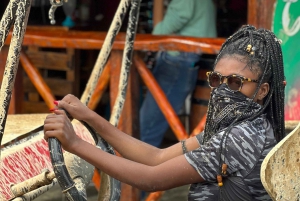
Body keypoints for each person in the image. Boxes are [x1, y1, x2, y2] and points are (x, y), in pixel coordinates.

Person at [44, 25, 286, 200]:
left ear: (263, 90)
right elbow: (156, 158)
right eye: (216, 79)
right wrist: (89, 116)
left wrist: (75, 144)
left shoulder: (237, 138)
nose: (222, 90)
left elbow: (152, 179)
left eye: (234, 82)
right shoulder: (247, 126)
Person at [140, 0, 217, 147]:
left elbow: (158, 34)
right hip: (188, 60)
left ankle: (135, 167)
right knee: (155, 122)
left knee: (148, 127)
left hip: (176, 61)